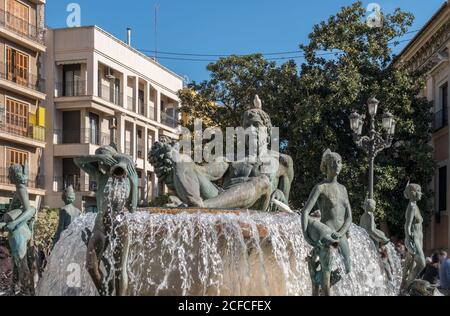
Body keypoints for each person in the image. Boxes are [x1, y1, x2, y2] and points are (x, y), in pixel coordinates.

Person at [301, 149, 353, 296]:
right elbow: (305, 211)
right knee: (327, 271)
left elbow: (349, 217)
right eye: (333, 162)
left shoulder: (343, 189)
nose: (337, 165)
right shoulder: (321, 187)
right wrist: (306, 235)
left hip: (340, 234)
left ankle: (315, 277)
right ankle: (322, 285)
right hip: (326, 234)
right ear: (326, 166)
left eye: (339, 162)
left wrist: (341, 232)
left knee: (347, 267)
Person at [401, 183, 426, 291]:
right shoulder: (411, 206)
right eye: (419, 191)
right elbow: (407, 225)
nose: (421, 193)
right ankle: (406, 287)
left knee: (410, 264)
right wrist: (408, 240)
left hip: (419, 239)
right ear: (413, 193)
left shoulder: (415, 206)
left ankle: (404, 286)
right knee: (421, 263)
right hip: (414, 239)